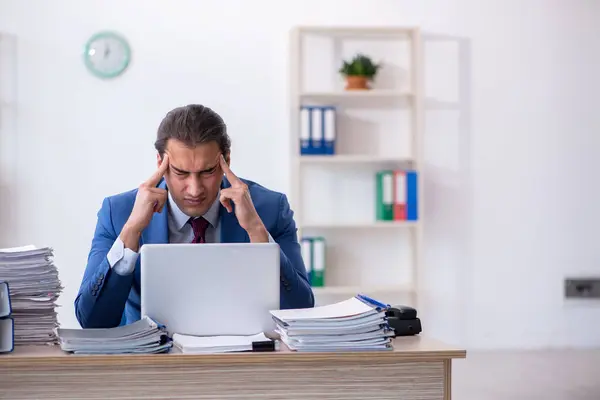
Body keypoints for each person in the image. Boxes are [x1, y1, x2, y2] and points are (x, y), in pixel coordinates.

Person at [74, 104, 315, 329]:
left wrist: (257, 232)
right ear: (160, 162)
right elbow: (93, 321)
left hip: (241, 363)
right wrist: (131, 231)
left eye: (207, 172)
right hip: (151, 367)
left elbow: (300, 311)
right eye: (181, 173)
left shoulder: (270, 209)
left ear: (226, 161)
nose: (194, 189)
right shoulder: (119, 212)